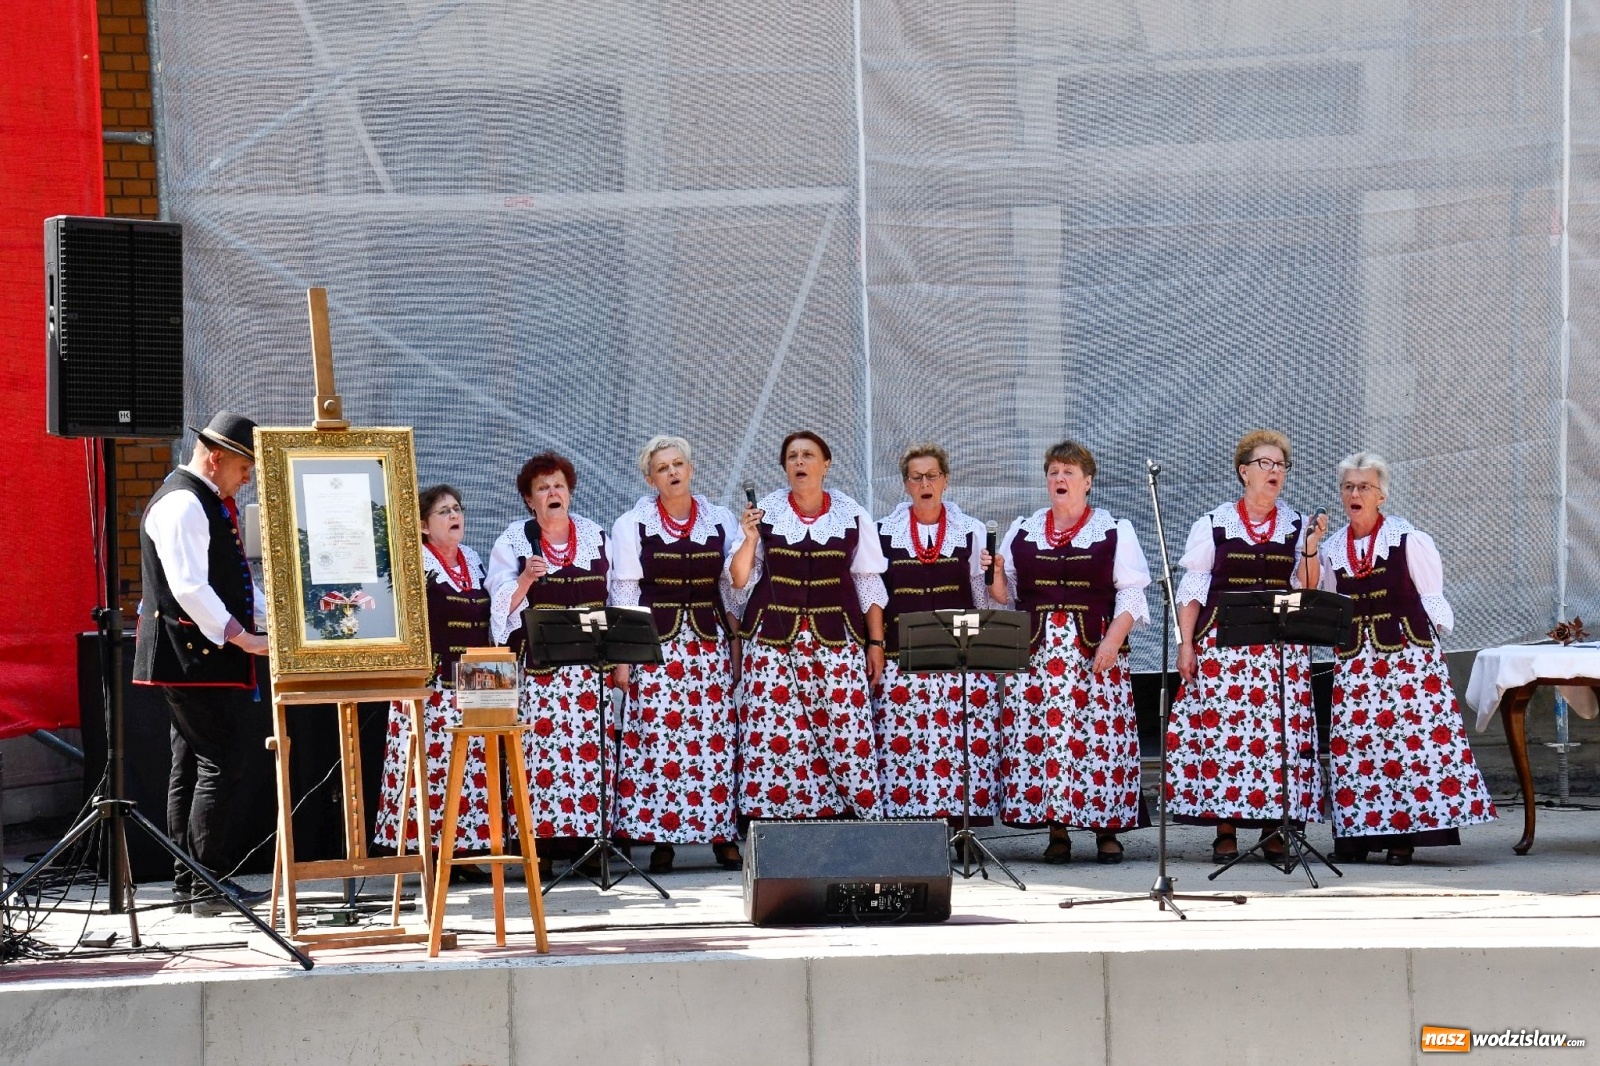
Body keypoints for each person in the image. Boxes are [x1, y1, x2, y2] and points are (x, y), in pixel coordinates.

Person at [1317, 452, 1496, 864]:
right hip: (1357, 662)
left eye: (1364, 487)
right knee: (1358, 748)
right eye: (1348, 487)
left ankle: (1403, 836)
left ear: (1381, 495)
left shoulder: (1408, 538)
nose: (1354, 494)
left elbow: (1431, 597)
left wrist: (1430, 659)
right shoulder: (1330, 549)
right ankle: (1356, 837)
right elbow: (1327, 601)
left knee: (1407, 745)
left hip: (1407, 658)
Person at [133, 411, 271, 916]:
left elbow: (232, 581)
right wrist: (241, 638)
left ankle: (191, 884)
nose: (248, 476)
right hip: (191, 655)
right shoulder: (184, 503)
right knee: (219, 762)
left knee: (192, 764)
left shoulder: (204, 500)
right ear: (216, 457)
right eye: (243, 466)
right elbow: (190, 587)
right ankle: (205, 881)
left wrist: (270, 617)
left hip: (196, 655)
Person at [1167, 429, 1328, 865]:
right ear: (1244, 472)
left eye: (1281, 465)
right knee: (1226, 740)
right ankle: (1225, 829)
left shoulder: (1297, 525)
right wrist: (1186, 646)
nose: (1275, 472)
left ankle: (1276, 827)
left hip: (1280, 652)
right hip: (1225, 652)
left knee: (1281, 740)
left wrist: (1311, 549)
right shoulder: (1215, 523)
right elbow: (1193, 590)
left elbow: (1309, 588)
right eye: (1266, 464)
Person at [989, 441, 1152, 864]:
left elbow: (1131, 594)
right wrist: (992, 575)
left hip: (1094, 651)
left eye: (1069, 472)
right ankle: (1056, 828)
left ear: (1088, 481)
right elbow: (1004, 597)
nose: (1060, 478)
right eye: (1054, 472)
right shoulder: (1023, 529)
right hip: (1039, 656)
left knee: (1101, 741)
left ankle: (1107, 830)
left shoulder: (1115, 529)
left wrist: (1114, 641)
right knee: (1046, 741)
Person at [728, 430, 887, 820]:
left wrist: (876, 643)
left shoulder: (851, 513)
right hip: (772, 643)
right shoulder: (764, 511)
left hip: (837, 639)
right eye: (793, 457)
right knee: (777, 732)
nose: (800, 462)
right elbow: (738, 580)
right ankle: (775, 822)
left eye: (808, 455)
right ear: (784, 467)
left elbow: (868, 581)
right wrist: (749, 538)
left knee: (844, 729)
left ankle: (848, 816)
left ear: (826, 464)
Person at [610, 436, 744, 872]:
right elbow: (626, 591)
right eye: (663, 467)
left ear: (691, 468)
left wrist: (736, 641)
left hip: (707, 644)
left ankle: (721, 835)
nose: (672, 472)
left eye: (679, 463)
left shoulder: (719, 519)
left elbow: (731, 587)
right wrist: (624, 658)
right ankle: (664, 838)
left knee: (713, 741)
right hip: (658, 647)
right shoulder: (634, 523)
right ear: (650, 478)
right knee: (662, 742)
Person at [485, 452, 611, 863]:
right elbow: (499, 610)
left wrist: (621, 661)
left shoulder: (594, 535)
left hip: (590, 670)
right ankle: (538, 844)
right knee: (541, 758)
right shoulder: (514, 541)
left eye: (558, 485)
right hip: (540, 672)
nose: (552, 492)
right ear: (529, 500)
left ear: (569, 492)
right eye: (542, 488)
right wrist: (524, 579)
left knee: (590, 755)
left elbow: (616, 597)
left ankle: (590, 844)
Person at [372, 485, 494, 880]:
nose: (454, 515)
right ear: (424, 526)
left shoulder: (473, 559)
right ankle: (428, 853)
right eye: (444, 511)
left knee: (472, 767)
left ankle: (465, 852)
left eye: (457, 508)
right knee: (430, 768)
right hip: (433, 682)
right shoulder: (415, 562)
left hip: (476, 679)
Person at [873, 443, 999, 823]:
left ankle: (958, 825)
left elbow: (983, 601)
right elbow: (875, 596)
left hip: (954, 660)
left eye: (932, 476)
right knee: (905, 744)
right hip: (901, 659)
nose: (925, 483)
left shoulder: (971, 531)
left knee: (955, 745)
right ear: (906, 484)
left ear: (945, 480)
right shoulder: (884, 533)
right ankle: (910, 825)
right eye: (916, 477)